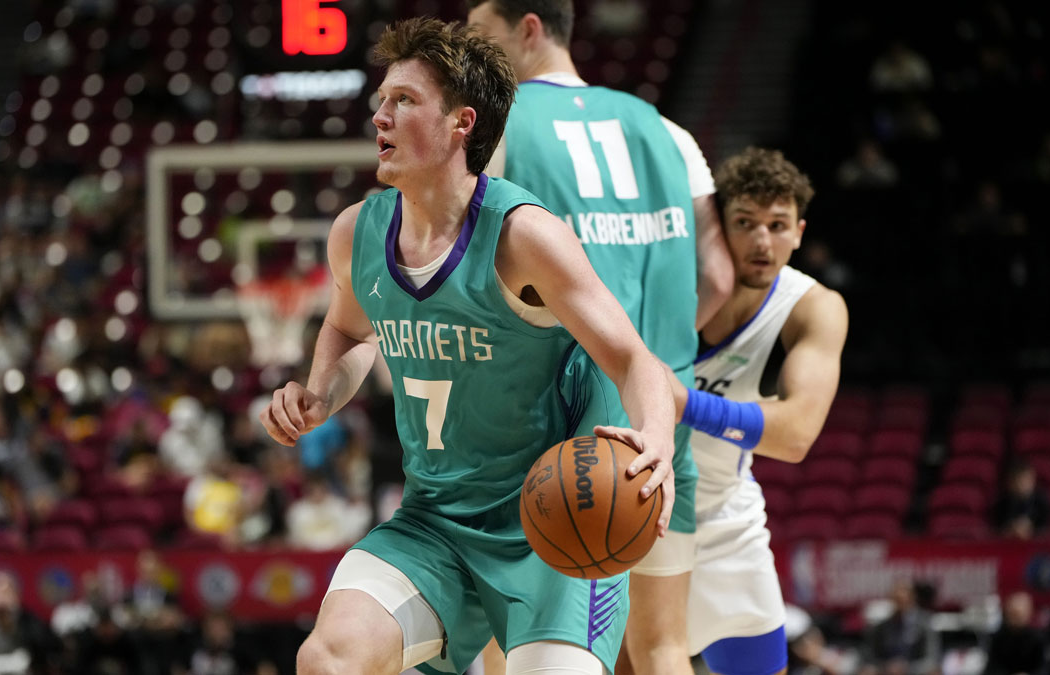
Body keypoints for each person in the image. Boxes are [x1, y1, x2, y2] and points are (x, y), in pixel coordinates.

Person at [259, 17, 677, 675]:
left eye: (404, 100)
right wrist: (319, 394)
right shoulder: (356, 233)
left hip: (554, 524)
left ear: (462, 123)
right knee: (328, 659)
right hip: (434, 523)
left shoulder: (524, 237)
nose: (381, 117)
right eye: (382, 100)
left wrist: (657, 440)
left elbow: (632, 358)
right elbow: (351, 329)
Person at [464, 2, 733, 672]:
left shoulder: (497, 125)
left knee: (512, 641)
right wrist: (656, 348)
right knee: (662, 646)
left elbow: (471, 276)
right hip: (659, 424)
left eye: (481, 36)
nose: (471, 54)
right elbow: (719, 277)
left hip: (549, 430)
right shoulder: (667, 130)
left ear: (529, 29)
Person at [671, 147, 848, 675]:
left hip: (724, 520)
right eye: (745, 223)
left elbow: (796, 436)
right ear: (717, 226)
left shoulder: (813, 307)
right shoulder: (669, 281)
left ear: (799, 232)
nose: (762, 241)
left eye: (777, 225)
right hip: (634, 508)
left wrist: (682, 401)